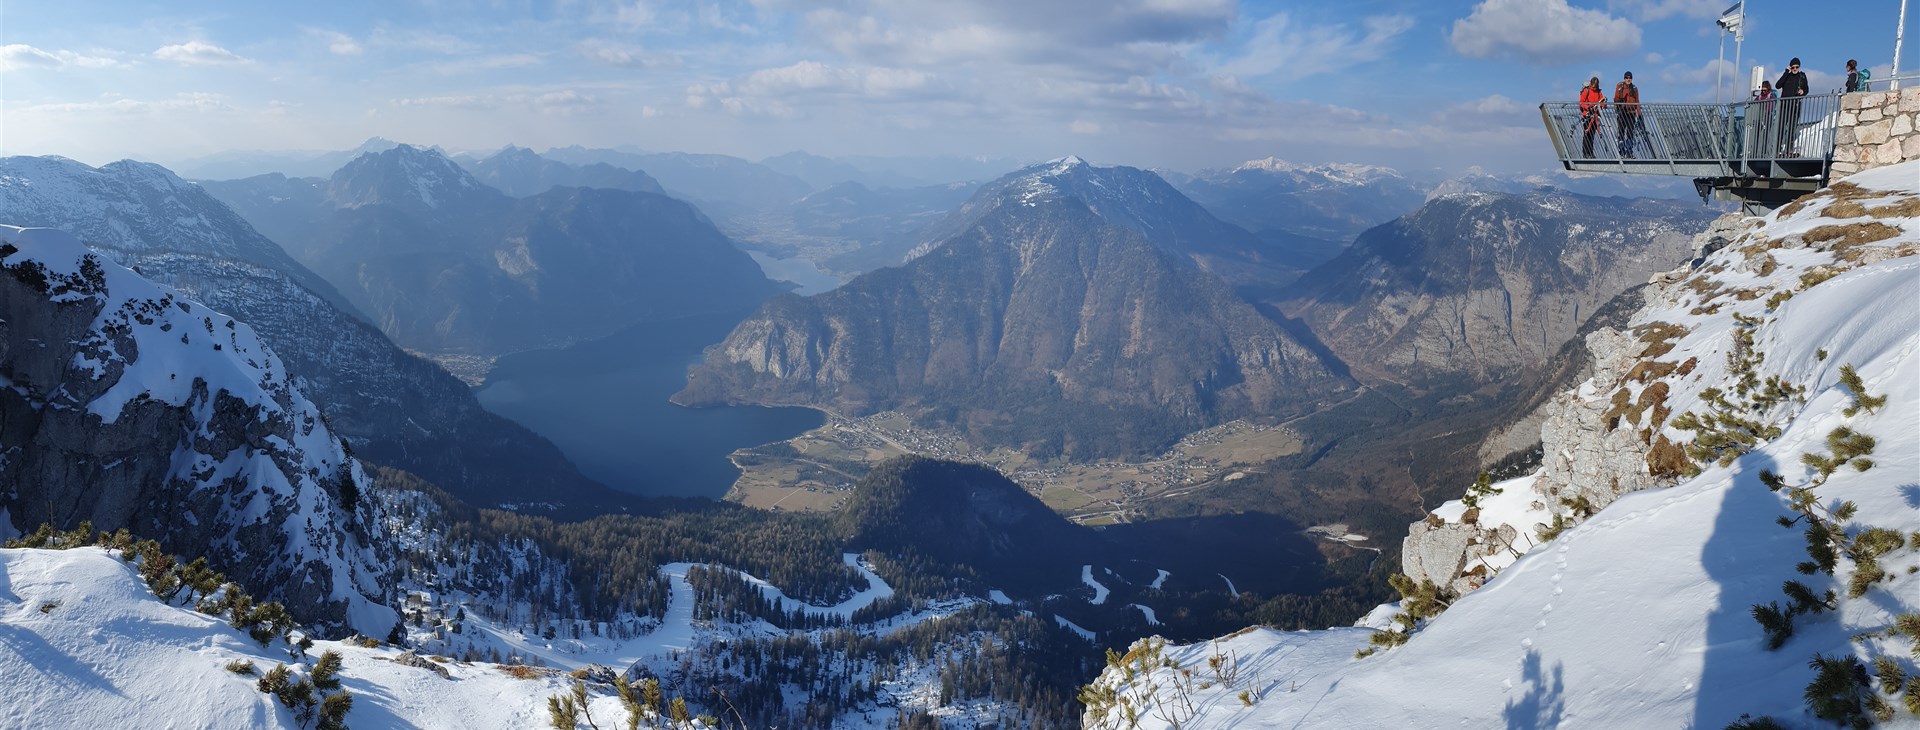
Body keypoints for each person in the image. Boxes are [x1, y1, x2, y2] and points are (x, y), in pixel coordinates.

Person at [1775, 57, 1809, 156]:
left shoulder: (1802, 76)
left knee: (1791, 128)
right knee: (1781, 128)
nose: (1795, 69)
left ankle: (1789, 150)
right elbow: (1778, 85)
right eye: (1793, 67)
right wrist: (1786, 72)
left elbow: (1806, 89)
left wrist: (1803, 92)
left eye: (1796, 67)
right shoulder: (1787, 76)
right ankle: (1777, 150)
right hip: (1785, 106)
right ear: (1790, 67)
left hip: (1795, 105)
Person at [1613, 71, 1642, 158]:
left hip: (1631, 113)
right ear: (1624, 78)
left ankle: (1629, 152)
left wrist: (1639, 114)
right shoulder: (1620, 87)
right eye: (1627, 77)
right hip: (1622, 112)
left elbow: (1637, 101)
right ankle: (1621, 152)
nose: (1628, 79)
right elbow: (1615, 99)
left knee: (1630, 133)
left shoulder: (1634, 88)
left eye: (1630, 78)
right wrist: (1620, 96)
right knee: (1621, 132)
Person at [1579, 76, 1607, 157]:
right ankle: (1585, 153)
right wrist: (1588, 108)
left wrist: (1603, 105)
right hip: (1587, 115)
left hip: (1595, 116)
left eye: (1596, 87)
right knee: (1587, 135)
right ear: (1591, 84)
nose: (1594, 88)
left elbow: (1602, 101)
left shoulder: (1599, 92)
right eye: (1593, 87)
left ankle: (1590, 153)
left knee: (1592, 136)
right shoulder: (1586, 91)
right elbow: (1581, 102)